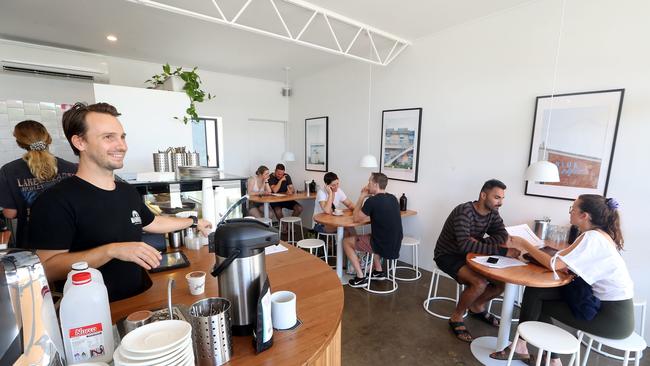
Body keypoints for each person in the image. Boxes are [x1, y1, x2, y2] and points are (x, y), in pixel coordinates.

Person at [28, 102, 212, 302]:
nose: (122, 146)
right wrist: (111, 250)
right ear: (80, 142)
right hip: (93, 316)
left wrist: (194, 222)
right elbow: (47, 268)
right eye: (108, 137)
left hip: (139, 299)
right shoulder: (56, 200)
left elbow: (152, 222)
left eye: (122, 137)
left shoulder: (127, 192)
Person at [491, 195, 634, 365]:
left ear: (584, 216)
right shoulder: (596, 234)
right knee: (536, 292)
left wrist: (525, 244)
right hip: (606, 307)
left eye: (573, 208)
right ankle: (541, 355)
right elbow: (561, 258)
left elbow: (554, 264)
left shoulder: (592, 238)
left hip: (613, 319)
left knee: (538, 301)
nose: (570, 212)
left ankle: (539, 354)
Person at [434, 179, 520, 342]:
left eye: (502, 198)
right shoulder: (464, 212)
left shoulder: (493, 212)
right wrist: (502, 251)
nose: (500, 203)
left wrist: (480, 243)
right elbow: (465, 245)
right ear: (483, 195)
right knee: (479, 283)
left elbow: (502, 234)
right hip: (448, 254)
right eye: (497, 197)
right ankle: (456, 317)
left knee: (501, 283)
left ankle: (477, 306)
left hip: (473, 253)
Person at [0, 120, 77, 248]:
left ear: (20, 143)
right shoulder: (71, 167)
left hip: (33, 241)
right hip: (72, 238)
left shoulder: (8, 171)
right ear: (48, 139)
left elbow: (10, 213)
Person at [343, 172, 403, 288]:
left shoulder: (372, 201)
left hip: (381, 244)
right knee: (372, 236)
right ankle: (379, 271)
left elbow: (355, 218)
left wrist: (362, 196)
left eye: (369, 182)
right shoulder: (393, 198)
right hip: (395, 243)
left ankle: (360, 277)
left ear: (375, 184)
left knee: (346, 242)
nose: (367, 185)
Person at [312, 172, 355, 236]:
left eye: (337, 184)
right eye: (333, 185)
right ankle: (343, 245)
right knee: (346, 229)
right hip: (320, 224)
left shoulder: (339, 191)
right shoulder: (321, 193)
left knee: (350, 227)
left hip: (334, 222)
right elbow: (327, 211)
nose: (336, 187)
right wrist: (330, 194)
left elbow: (349, 204)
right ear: (327, 185)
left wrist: (358, 210)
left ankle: (355, 245)